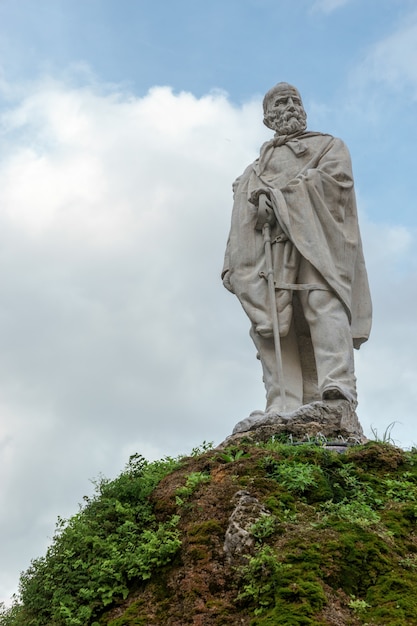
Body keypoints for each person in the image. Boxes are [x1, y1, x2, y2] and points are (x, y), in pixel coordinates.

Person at [222, 82, 372, 414]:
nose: (290, 106)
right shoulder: (254, 168)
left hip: (317, 240)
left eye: (295, 100)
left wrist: (280, 198)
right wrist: (231, 259)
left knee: (321, 300)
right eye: (281, 102)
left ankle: (337, 389)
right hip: (271, 249)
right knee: (273, 320)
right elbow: (240, 218)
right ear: (267, 117)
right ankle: (283, 402)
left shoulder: (329, 146)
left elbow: (337, 184)